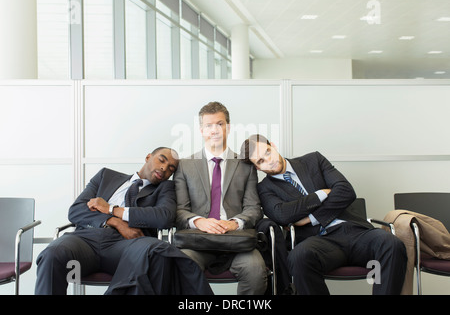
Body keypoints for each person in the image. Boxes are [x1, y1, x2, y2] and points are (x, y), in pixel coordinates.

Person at [240, 134, 407, 295]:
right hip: (318, 241)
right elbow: (282, 214)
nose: (268, 160)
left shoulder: (313, 160)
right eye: (261, 161)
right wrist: (319, 195)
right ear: (257, 167)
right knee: (298, 257)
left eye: (268, 152)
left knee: (391, 244)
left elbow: (346, 191)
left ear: (273, 146)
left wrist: (311, 218)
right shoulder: (264, 189)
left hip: (354, 231)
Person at [35, 147, 213, 295]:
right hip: (85, 240)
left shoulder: (166, 189)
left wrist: (112, 209)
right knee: (52, 254)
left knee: (157, 252)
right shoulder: (106, 176)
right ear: (148, 157)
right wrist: (115, 221)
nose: (165, 168)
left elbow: (164, 217)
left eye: (171, 168)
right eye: (162, 160)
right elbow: (76, 210)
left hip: (128, 245)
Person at [174, 102, 267, 295]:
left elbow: (253, 208)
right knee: (181, 266)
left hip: (237, 241)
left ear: (228, 127)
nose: (214, 130)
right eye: (208, 125)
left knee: (256, 270)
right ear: (201, 130)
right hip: (197, 241)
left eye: (220, 124)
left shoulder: (245, 165)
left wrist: (234, 223)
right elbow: (179, 209)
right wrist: (199, 221)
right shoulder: (184, 165)